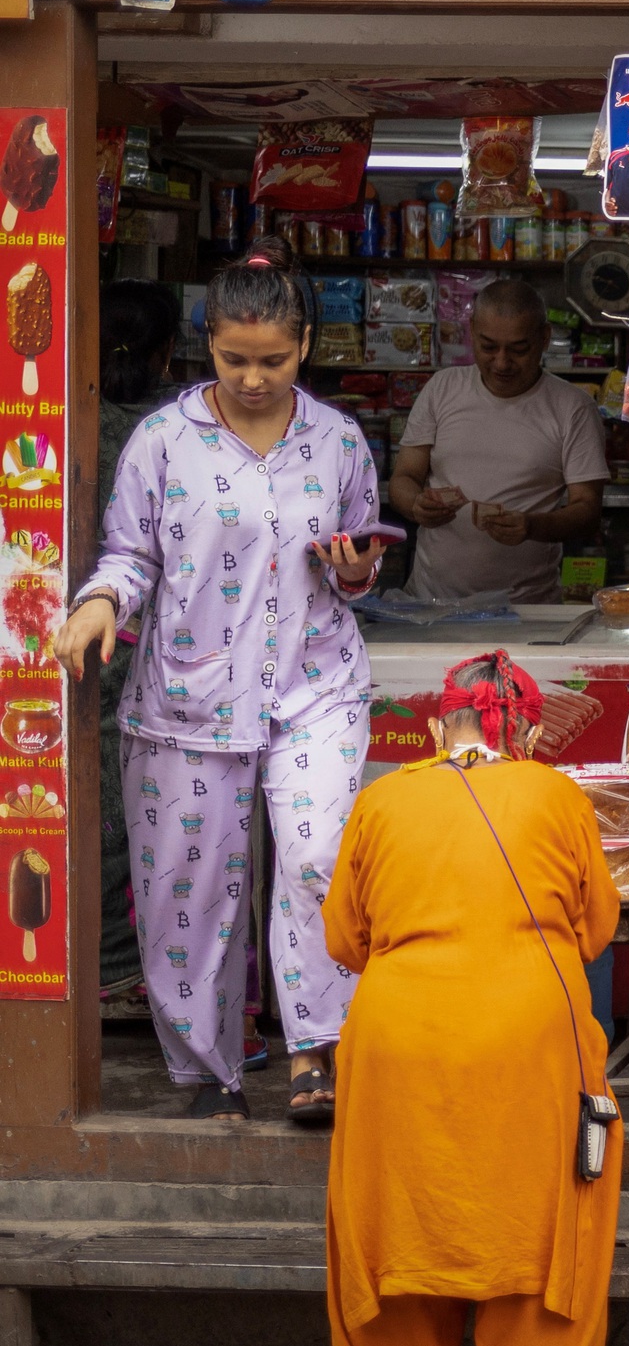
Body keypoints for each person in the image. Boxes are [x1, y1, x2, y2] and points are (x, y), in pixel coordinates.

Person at [56, 238, 389, 1122]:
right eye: (234, 358)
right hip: (186, 696)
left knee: (318, 862)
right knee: (185, 886)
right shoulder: (164, 442)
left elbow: (359, 564)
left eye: (272, 360)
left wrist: (354, 567)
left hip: (315, 684)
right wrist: (99, 605)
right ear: (209, 344)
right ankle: (209, 1071)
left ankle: (315, 1053)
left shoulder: (340, 440)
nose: (251, 377)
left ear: (305, 346)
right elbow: (129, 554)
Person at [322, 651, 620, 1346]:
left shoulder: (382, 800)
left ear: (431, 729)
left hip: (395, 1038)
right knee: (546, 1221)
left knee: (388, 1218)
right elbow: (596, 926)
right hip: (528, 1037)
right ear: (527, 733)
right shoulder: (555, 794)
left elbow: (345, 939)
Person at [385, 278, 607, 604]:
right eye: (488, 347)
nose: (501, 362)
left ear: (544, 338)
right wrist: (417, 505)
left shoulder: (573, 407)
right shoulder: (442, 388)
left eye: (519, 349)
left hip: (527, 612)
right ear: (472, 330)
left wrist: (532, 526)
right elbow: (403, 478)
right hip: (431, 605)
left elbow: (588, 510)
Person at [91, 281, 182, 1009]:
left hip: (65, 630)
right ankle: (125, 965)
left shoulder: (65, 425)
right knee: (142, 811)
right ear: (169, 355)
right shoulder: (174, 431)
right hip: (149, 649)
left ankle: (100, 960)